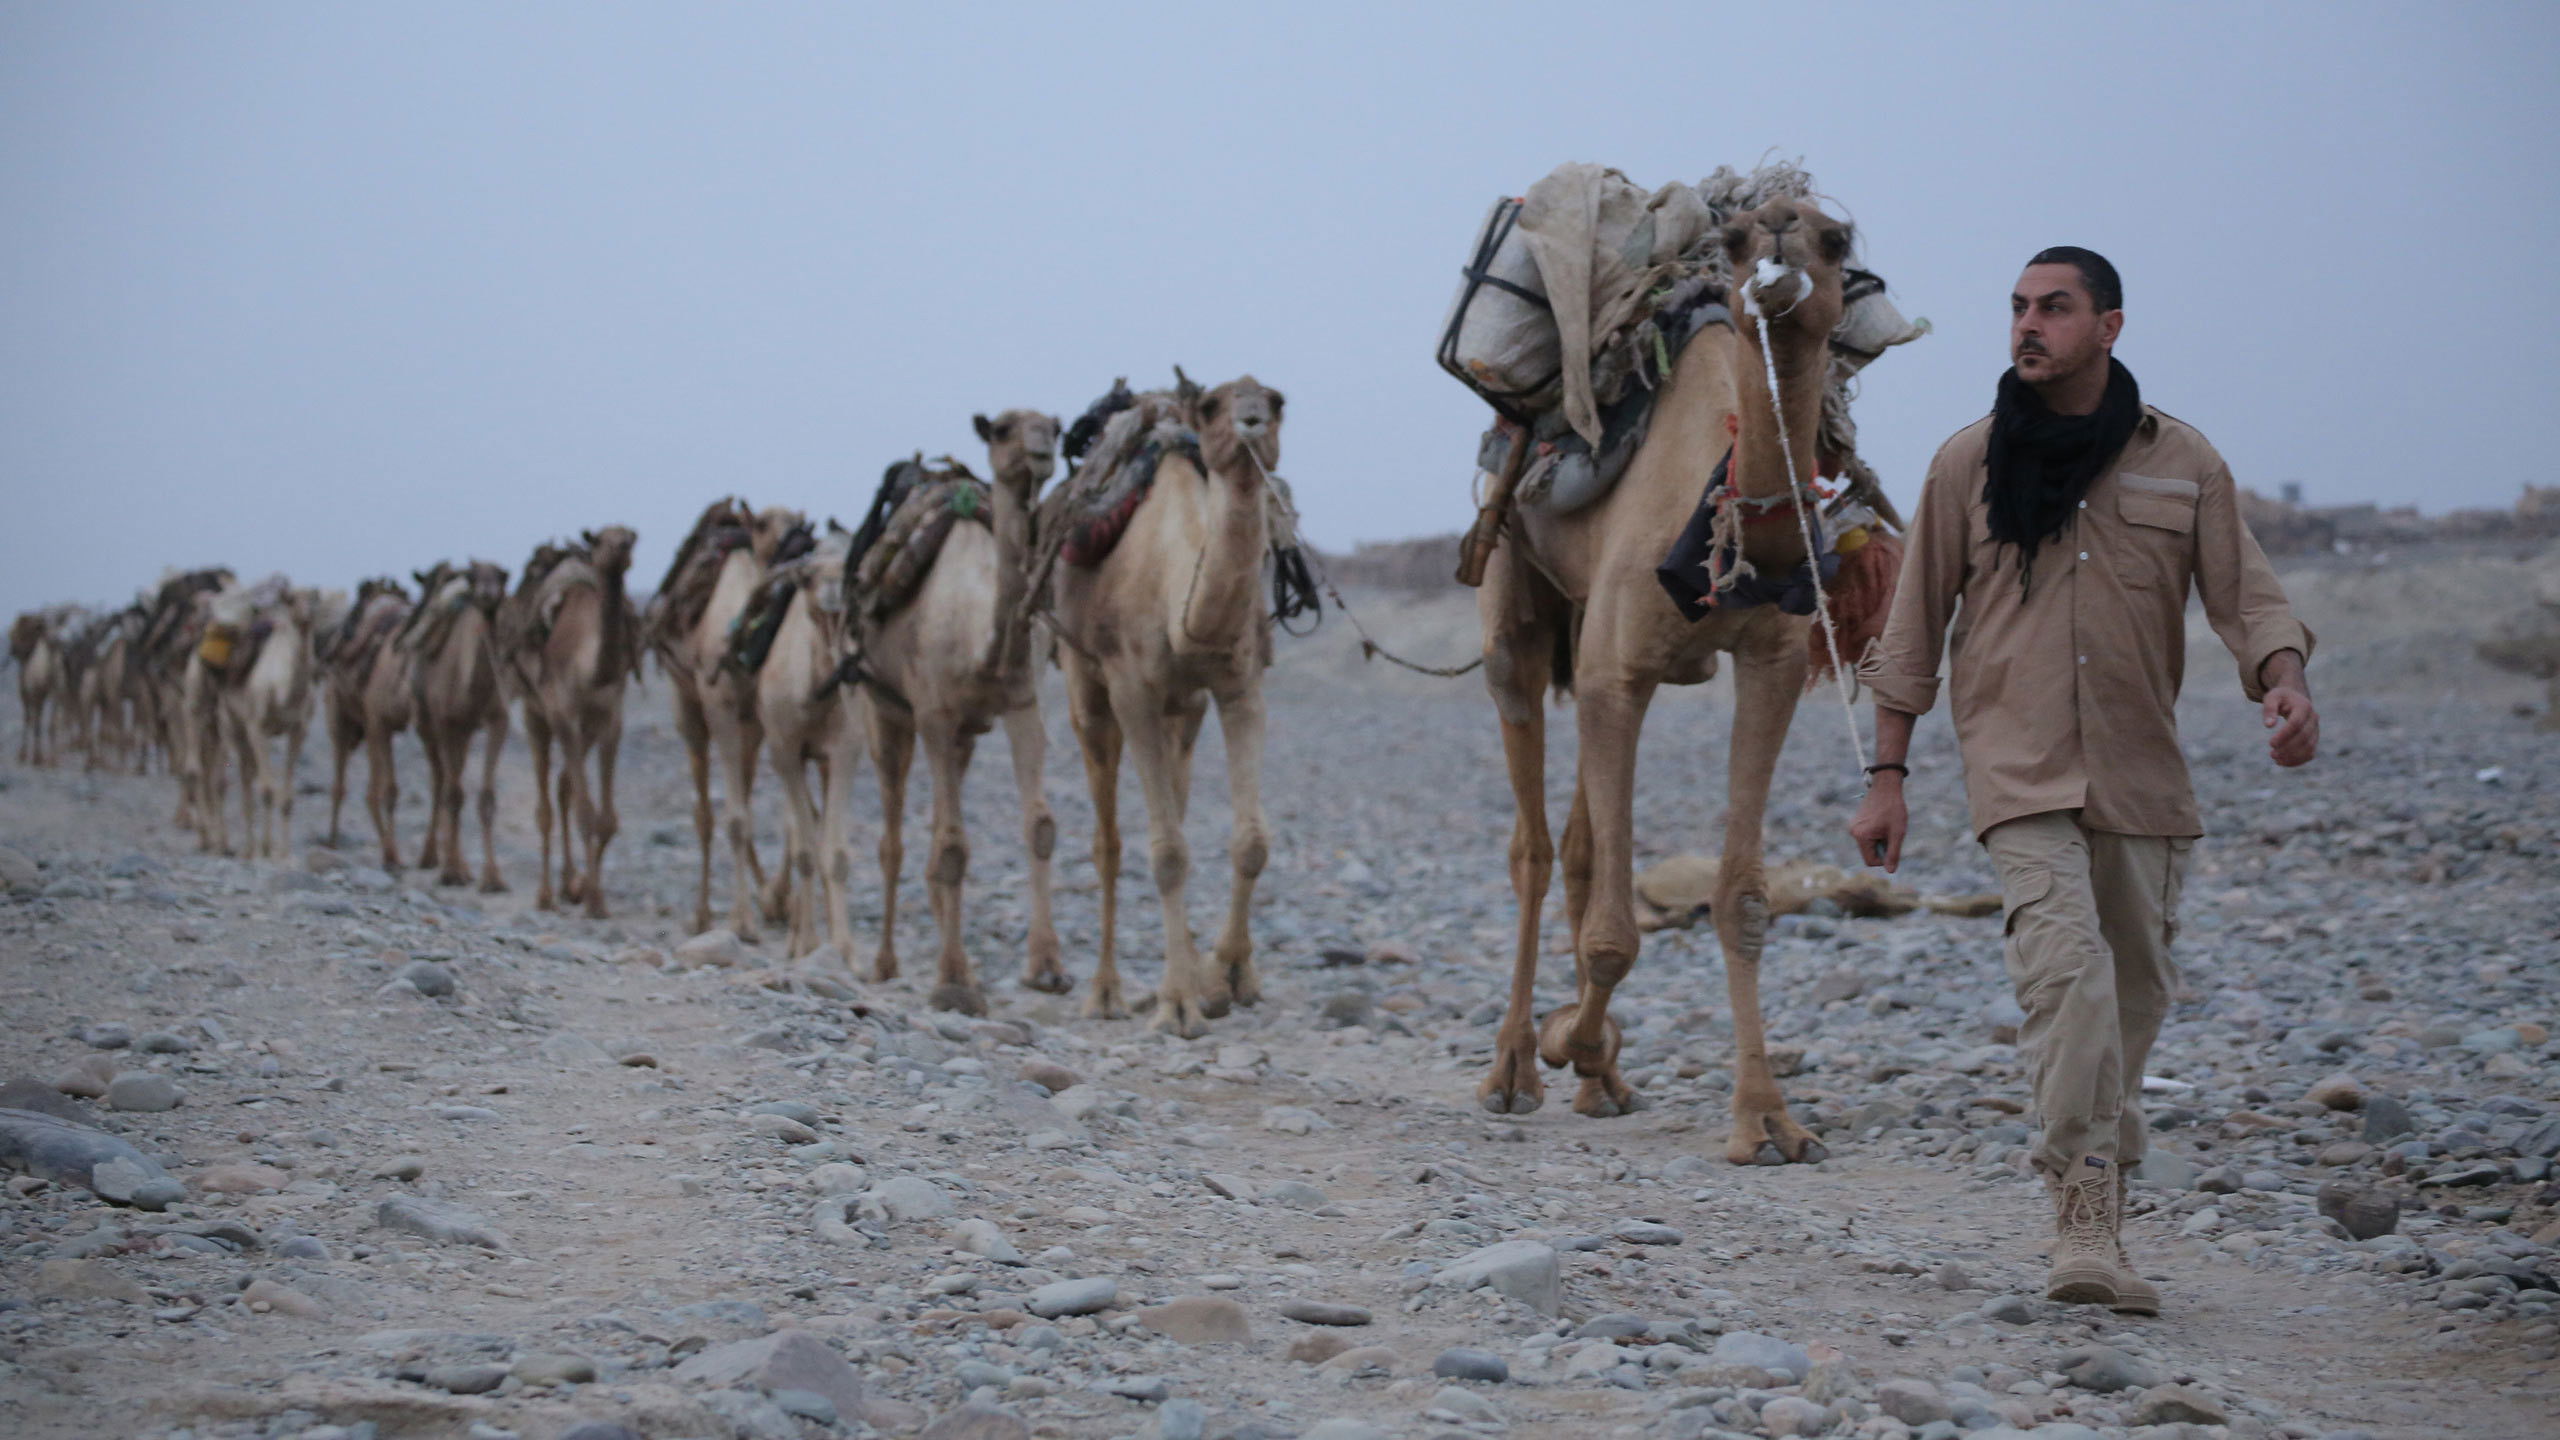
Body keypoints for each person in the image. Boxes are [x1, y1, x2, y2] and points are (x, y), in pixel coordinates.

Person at [1847, 246, 2319, 1314]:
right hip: (2016, 770)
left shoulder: (2180, 462)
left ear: (2107, 326)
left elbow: (2246, 600)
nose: (2027, 327)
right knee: (2070, 984)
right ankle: (2084, 1223)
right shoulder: (1966, 463)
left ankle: (2094, 1180)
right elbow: (1911, 629)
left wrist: (2281, 681)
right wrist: (1888, 776)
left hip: (2142, 775)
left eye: (2052, 309)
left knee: (2133, 997)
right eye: (2017, 308)